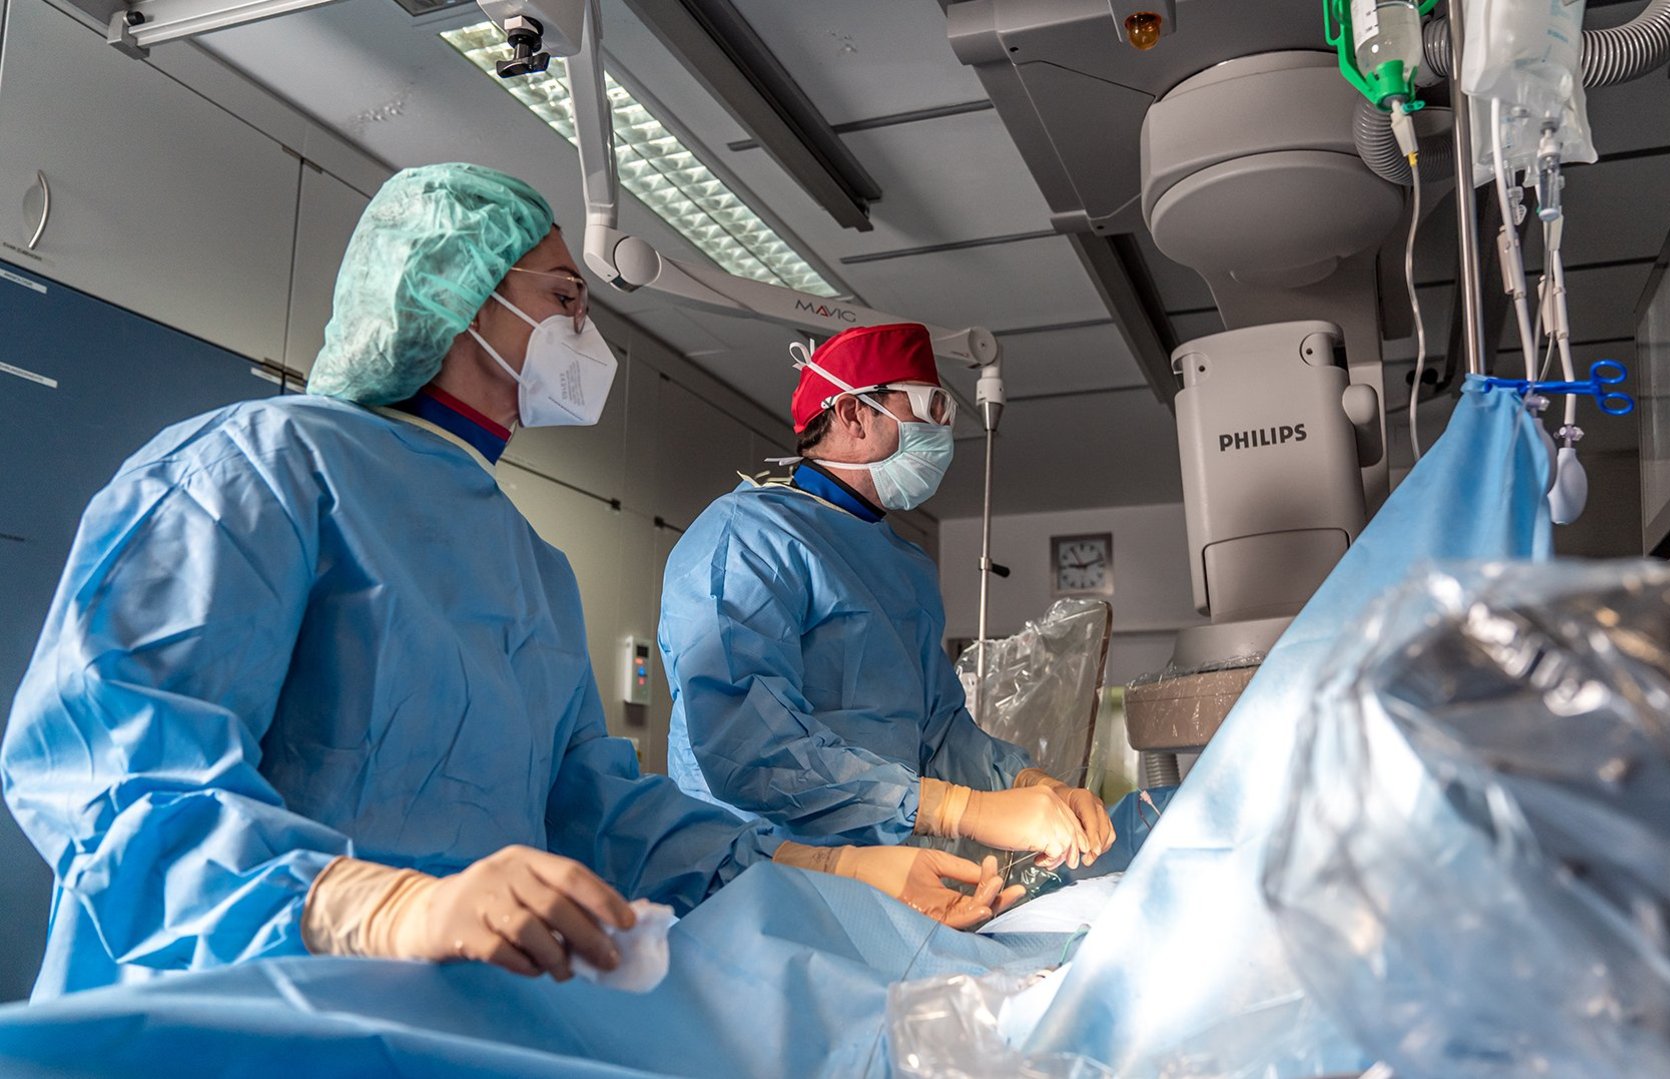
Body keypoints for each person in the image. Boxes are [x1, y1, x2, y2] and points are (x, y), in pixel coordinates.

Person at [0, 164, 1014, 1001]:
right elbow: (110, 775)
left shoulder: (531, 565)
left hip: (439, 1023)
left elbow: (600, 813)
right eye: (566, 298)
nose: (587, 332)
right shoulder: (256, 466)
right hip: (220, 1025)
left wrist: (834, 869)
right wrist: (387, 905)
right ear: (455, 295)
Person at [657, 323, 1117, 868]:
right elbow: (749, 749)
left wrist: (1032, 783)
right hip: (758, 872)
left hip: (886, 873)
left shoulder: (906, 568)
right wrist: (956, 809)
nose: (943, 429)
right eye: (928, 405)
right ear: (853, 414)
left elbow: (940, 731)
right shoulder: (749, 540)